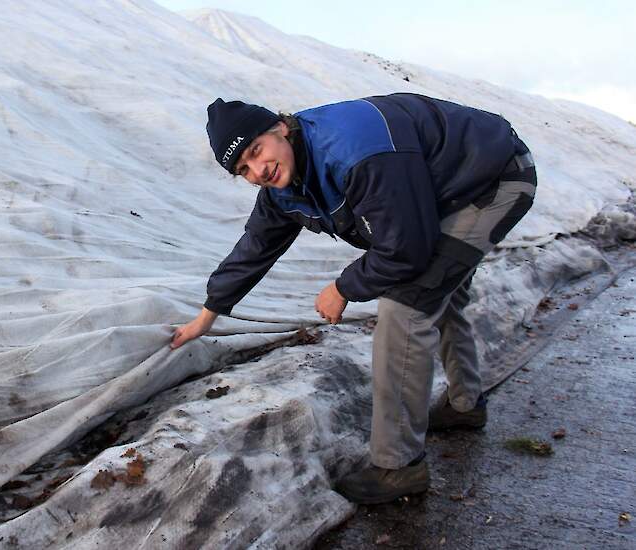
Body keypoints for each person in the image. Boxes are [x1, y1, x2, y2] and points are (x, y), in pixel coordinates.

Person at [170, 93, 536, 504]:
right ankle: (467, 405)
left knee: (407, 307)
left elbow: (406, 249)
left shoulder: (355, 151)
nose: (258, 170)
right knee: (438, 289)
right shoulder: (286, 180)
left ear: (278, 128)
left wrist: (343, 288)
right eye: (243, 170)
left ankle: (399, 467)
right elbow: (255, 246)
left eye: (256, 151)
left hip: (491, 180)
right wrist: (208, 314)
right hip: (439, 189)